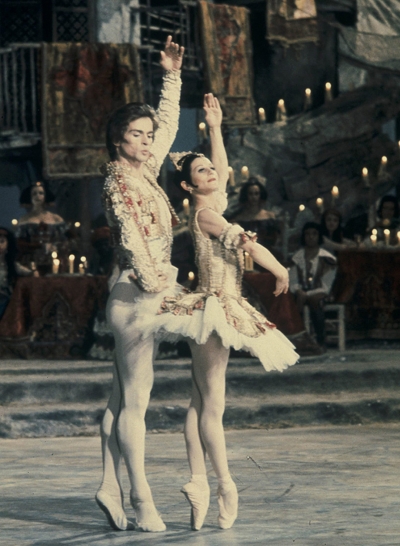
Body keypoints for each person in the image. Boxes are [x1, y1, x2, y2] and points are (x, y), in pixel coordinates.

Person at [137, 94, 299, 531]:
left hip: (213, 305)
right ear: (189, 186)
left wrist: (215, 127)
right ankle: (226, 482)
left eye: (211, 169)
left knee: (198, 403)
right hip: (213, 307)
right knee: (214, 404)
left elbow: (223, 169)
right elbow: (247, 243)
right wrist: (279, 266)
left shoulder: (210, 201)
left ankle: (196, 481)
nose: (213, 173)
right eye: (202, 171)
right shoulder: (207, 215)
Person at [95, 36, 184, 533]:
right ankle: (142, 498)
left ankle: (109, 486)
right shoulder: (118, 181)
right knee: (136, 403)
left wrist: (171, 76)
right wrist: (162, 290)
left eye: (147, 135)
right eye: (137, 134)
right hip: (135, 294)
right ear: (118, 139)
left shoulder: (144, 170)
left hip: (140, 292)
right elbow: (133, 241)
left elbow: (169, 127)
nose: (147, 141)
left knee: (120, 398)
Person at [289, 222, 337, 347]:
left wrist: (307, 294)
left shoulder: (328, 259)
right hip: (300, 293)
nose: (311, 237)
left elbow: (326, 286)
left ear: (319, 236)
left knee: (315, 301)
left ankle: (321, 340)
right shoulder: (297, 257)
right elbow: (292, 281)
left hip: (320, 292)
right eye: (307, 234)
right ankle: (298, 339)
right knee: (292, 300)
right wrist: (299, 291)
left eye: (314, 234)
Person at [16, 181, 68, 270]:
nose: (37, 196)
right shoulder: (24, 220)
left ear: (45, 196)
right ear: (30, 197)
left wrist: (55, 246)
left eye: (41, 193)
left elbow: (66, 240)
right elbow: (20, 244)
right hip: (31, 262)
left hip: (54, 260)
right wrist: (38, 246)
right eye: (34, 194)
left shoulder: (56, 219)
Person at [230, 178, 280, 253]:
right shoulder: (238, 218)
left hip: (268, 252)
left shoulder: (269, 216)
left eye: (256, 193)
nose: (254, 197)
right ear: (246, 195)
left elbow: (277, 239)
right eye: (250, 194)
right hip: (247, 253)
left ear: (260, 195)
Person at [0, 227, 38, 320]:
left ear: (8, 244)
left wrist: (35, 272)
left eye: (2, 241)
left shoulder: (11, 265)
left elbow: (30, 273)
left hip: (7, 300)